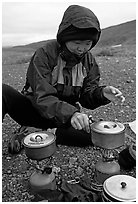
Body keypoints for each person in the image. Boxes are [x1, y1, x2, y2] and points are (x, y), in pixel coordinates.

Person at [2, 5, 125, 154]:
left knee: (94, 135)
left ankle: (37, 133)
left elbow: (87, 96)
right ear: (65, 38)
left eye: (88, 43)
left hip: (62, 118)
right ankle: (36, 130)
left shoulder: (89, 61)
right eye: (77, 43)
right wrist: (71, 114)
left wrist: (102, 94)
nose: (82, 49)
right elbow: (42, 96)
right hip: (34, 110)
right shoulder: (45, 54)